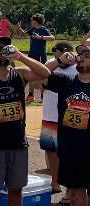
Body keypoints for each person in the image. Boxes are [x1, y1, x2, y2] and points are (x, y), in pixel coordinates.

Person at [0, 37, 51, 206]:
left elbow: (45, 73)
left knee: (16, 189)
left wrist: (20, 56)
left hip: (17, 142)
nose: (3, 51)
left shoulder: (19, 73)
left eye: (6, 48)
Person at [43, 45, 90, 206]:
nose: (81, 57)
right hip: (70, 149)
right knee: (76, 193)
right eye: (81, 54)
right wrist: (58, 60)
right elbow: (40, 74)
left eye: (87, 55)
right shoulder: (66, 81)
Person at [40, 42, 76, 203]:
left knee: (69, 155)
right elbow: (40, 78)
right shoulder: (50, 65)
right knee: (50, 150)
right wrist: (59, 61)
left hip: (68, 118)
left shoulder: (78, 68)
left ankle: (70, 190)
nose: (56, 53)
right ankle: (55, 182)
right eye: (55, 52)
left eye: (59, 51)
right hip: (49, 114)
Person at [16, 13, 55, 102]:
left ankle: (42, 94)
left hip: (41, 55)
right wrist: (19, 28)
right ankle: (30, 94)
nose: (31, 21)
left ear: (37, 21)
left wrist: (40, 37)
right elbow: (25, 34)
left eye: (32, 20)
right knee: (30, 73)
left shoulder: (43, 29)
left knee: (42, 75)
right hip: (32, 55)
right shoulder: (33, 29)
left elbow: (52, 38)